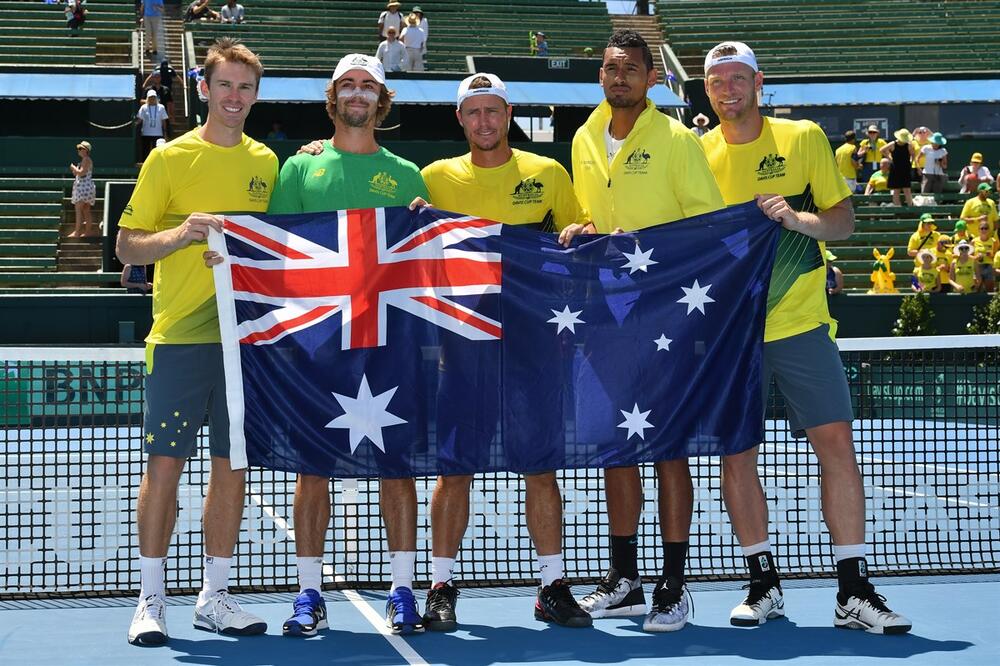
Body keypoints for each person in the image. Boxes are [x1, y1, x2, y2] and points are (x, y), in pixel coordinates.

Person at [700, 40, 911, 634]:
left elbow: (842, 222)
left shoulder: (803, 139)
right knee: (736, 457)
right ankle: (762, 582)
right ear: (708, 89)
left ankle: (852, 589)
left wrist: (797, 220)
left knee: (837, 448)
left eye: (738, 77)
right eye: (718, 80)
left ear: (758, 82)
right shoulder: (694, 152)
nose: (728, 88)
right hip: (728, 335)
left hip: (800, 325)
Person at [227, 54, 430, 638]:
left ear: (382, 99)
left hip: (389, 341)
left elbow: (421, 264)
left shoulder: (409, 175)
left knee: (399, 468)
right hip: (318, 346)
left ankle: (402, 590)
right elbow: (275, 257)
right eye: (349, 85)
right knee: (310, 469)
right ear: (334, 97)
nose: (359, 94)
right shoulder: (300, 169)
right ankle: (309, 593)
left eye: (369, 85)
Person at [412, 73, 593, 631]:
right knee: (455, 469)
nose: (485, 122)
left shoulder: (548, 173)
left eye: (494, 111)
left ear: (508, 114)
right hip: (462, 348)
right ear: (461, 120)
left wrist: (581, 231)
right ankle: (441, 586)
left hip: (535, 344)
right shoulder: (433, 179)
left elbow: (579, 232)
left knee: (540, 467)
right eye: (474, 112)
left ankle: (552, 585)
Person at [117, 37, 278, 647]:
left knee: (231, 469)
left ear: (255, 95)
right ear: (204, 89)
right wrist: (181, 234)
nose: (235, 97)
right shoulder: (167, 159)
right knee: (164, 468)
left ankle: (215, 597)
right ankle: (150, 598)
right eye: (226, 85)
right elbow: (127, 247)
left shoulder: (269, 163)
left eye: (247, 87)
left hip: (247, 343)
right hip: (180, 339)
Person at [569, 29, 726, 633]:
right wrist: (583, 229)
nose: (619, 78)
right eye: (611, 69)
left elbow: (708, 227)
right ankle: (626, 579)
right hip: (606, 316)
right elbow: (590, 214)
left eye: (631, 69)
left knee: (667, 449)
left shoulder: (677, 139)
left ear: (652, 78)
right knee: (618, 448)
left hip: (665, 316)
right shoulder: (584, 137)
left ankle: (673, 585)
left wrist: (653, 256)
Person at [880, 129, 916, 206]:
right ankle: (897, 209)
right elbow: (882, 150)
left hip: (905, 169)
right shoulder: (893, 144)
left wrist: (911, 162)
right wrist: (889, 157)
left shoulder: (909, 145)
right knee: (896, 190)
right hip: (895, 169)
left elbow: (913, 154)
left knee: (907, 190)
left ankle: (910, 209)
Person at [69, 140, 96, 237]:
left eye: (81, 148)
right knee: (86, 210)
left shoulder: (86, 159)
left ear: (86, 150)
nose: (79, 150)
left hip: (84, 188)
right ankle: (88, 232)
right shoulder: (85, 160)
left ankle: (77, 232)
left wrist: (73, 168)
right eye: (78, 148)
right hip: (85, 187)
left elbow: (81, 173)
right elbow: (79, 173)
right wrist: (76, 171)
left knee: (79, 209)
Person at [136, 89, 169, 160]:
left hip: (158, 133)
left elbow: (163, 121)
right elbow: (140, 120)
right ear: (147, 98)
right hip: (146, 133)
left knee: (156, 151)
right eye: (150, 97)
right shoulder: (144, 107)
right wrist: (134, 124)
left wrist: (165, 132)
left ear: (156, 98)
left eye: (153, 97)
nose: (152, 99)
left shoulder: (161, 107)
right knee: (145, 151)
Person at [972, 219, 998, 292]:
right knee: (977, 289)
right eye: (982, 228)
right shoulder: (974, 241)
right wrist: (976, 257)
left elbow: (996, 256)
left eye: (986, 228)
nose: (984, 230)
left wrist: (991, 255)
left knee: (989, 290)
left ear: (989, 230)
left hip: (989, 266)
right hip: (977, 267)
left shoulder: (994, 241)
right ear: (979, 230)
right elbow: (969, 256)